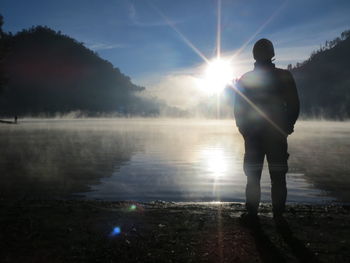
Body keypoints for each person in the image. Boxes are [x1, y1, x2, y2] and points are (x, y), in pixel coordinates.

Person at [234, 38, 300, 224]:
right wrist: (287, 127)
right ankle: (278, 215)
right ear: (272, 54)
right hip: (275, 135)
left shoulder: (246, 78)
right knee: (278, 177)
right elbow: (294, 105)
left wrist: (244, 130)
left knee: (253, 177)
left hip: (255, 136)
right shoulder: (283, 76)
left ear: (254, 55)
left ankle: (253, 213)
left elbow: (239, 109)